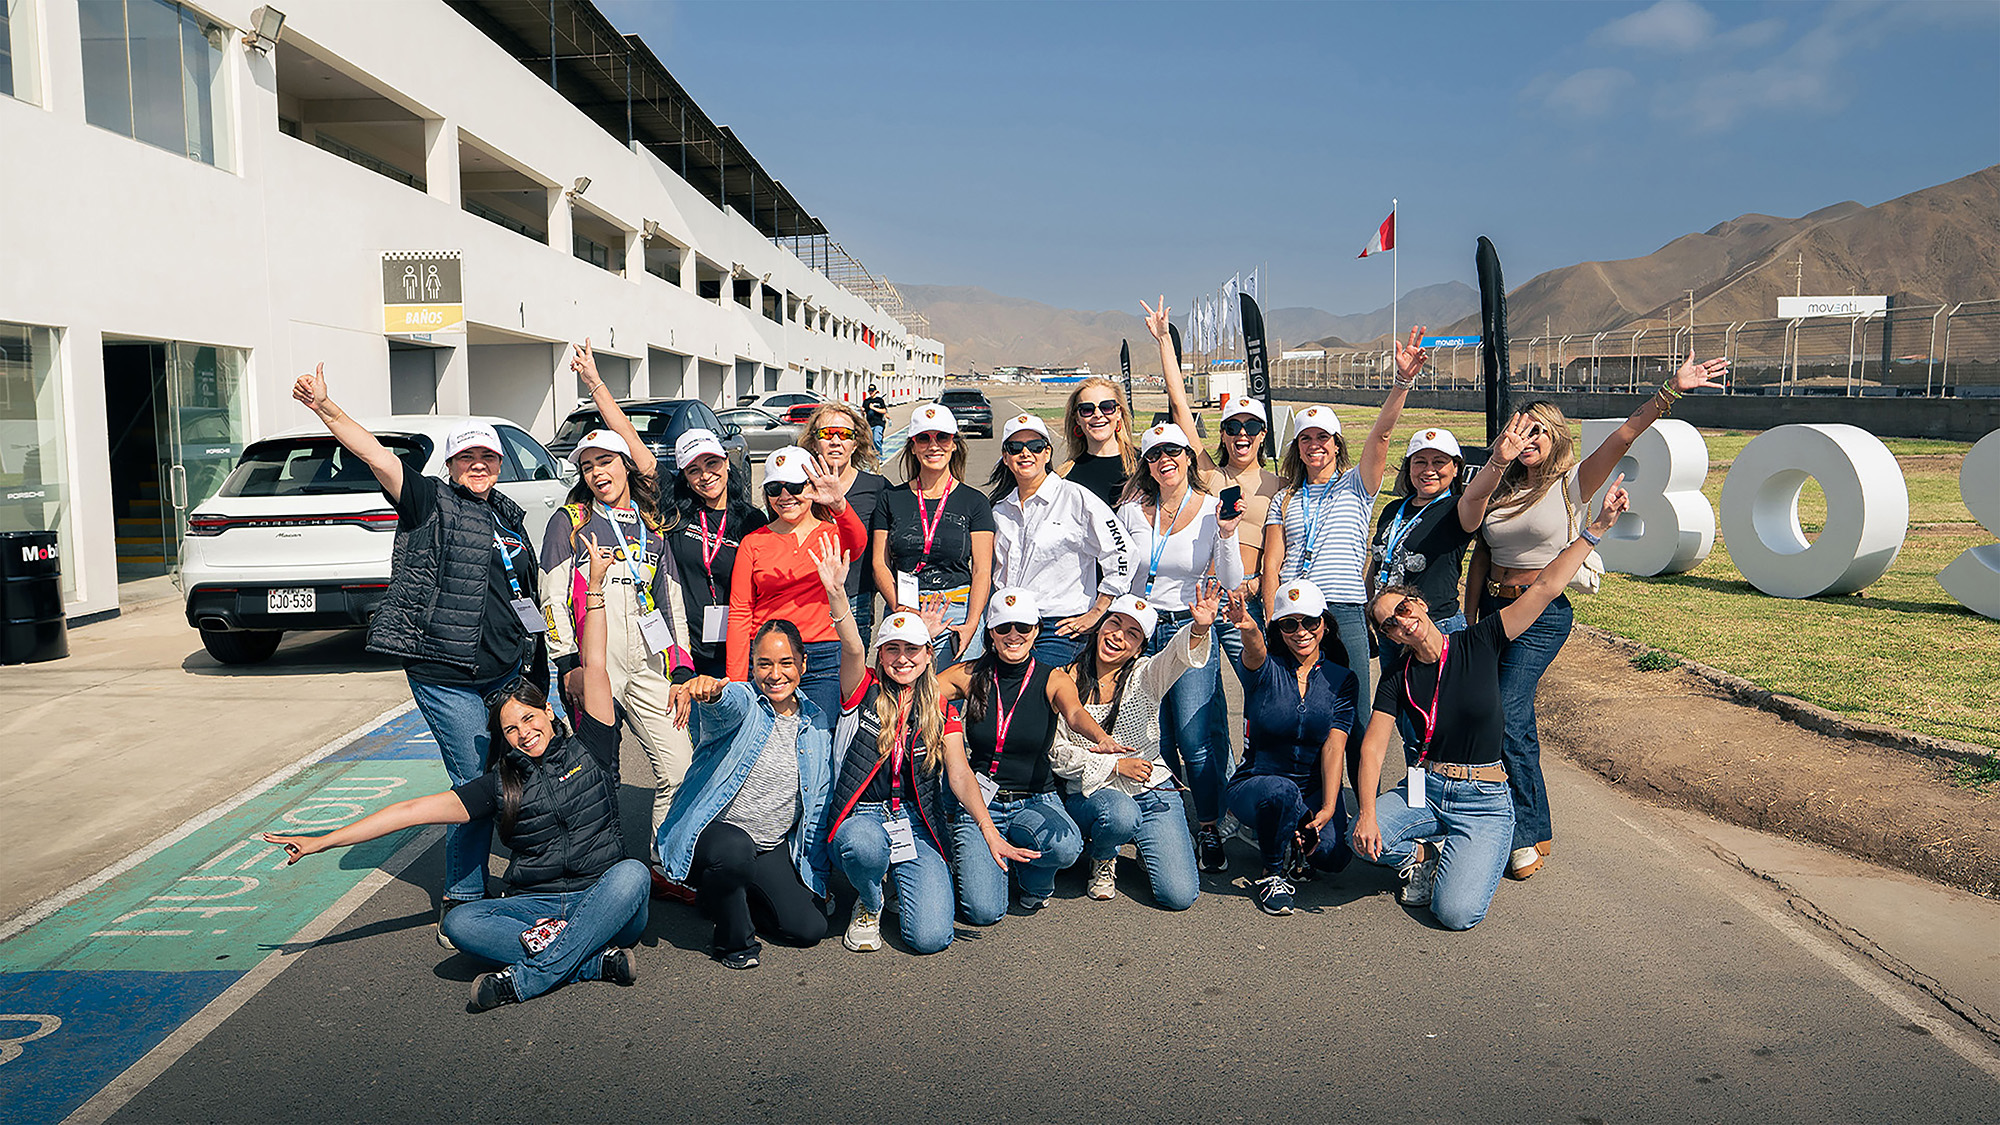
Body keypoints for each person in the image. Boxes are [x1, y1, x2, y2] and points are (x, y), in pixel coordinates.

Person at [262, 536, 644, 1011]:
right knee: (460, 924)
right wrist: (323, 841)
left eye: (529, 719)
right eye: (510, 729)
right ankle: (589, 963)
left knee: (631, 876)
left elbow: (595, 664)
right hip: (535, 907)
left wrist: (597, 591)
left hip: (602, 897)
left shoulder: (594, 744)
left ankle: (528, 979)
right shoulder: (500, 784)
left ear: (547, 712)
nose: (524, 733)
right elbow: (410, 810)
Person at [290, 364, 542, 946]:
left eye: (489, 458)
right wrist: (325, 408)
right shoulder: (429, 501)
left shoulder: (507, 514)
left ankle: (528, 877)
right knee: (473, 785)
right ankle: (464, 898)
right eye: (468, 459)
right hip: (446, 673)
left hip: (505, 670)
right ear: (450, 466)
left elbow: (519, 590)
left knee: (517, 775)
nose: (480, 466)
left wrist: (535, 661)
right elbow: (378, 457)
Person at [1458, 356, 1728, 880]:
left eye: (1539, 432)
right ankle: (1493, 815)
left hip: (1542, 613)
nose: (1528, 439)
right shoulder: (1500, 489)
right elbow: (1480, 556)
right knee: (1487, 715)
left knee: (1510, 712)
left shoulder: (1571, 484)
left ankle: (1530, 832)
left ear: (1556, 439)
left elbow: (1625, 434)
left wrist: (1671, 391)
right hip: (1493, 610)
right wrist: (1471, 621)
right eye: (1520, 430)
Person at [1353, 478, 1632, 929]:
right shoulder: (1398, 677)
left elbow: (1543, 588)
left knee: (1454, 913)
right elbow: (1373, 748)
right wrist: (1366, 812)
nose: (1402, 623)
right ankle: (1424, 853)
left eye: (1404, 609)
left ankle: (1478, 847)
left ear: (1420, 604)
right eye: (1389, 625)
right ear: (1387, 637)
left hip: (1483, 797)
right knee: (1360, 838)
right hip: (1427, 789)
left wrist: (1596, 527)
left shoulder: (1479, 641)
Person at [659, 541, 860, 969]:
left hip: (768, 847)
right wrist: (708, 690)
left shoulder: (817, 723)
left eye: (786, 663)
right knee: (733, 853)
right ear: (752, 667)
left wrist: (817, 882)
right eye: (764, 664)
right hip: (717, 835)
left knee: (808, 930)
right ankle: (733, 941)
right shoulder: (744, 703)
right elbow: (723, 703)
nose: (775, 674)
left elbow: (818, 810)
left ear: (803, 666)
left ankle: (730, 896)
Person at [824, 605, 1041, 954]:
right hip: (863, 816)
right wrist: (837, 596)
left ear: (929, 654)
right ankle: (869, 901)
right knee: (863, 845)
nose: (902, 658)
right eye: (892, 649)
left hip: (912, 820)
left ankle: (895, 879)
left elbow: (959, 773)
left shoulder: (941, 708)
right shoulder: (862, 688)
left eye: (912, 649)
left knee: (931, 938)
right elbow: (850, 645)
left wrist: (988, 829)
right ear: (879, 655)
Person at [538, 427, 697, 897]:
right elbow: (551, 595)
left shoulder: (652, 526)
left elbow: (671, 601)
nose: (596, 473)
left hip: (650, 660)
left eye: (604, 462)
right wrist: (568, 663)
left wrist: (682, 668)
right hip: (596, 658)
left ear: (626, 464)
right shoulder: (569, 521)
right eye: (587, 466)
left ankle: (663, 865)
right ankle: (596, 869)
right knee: (597, 771)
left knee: (679, 766)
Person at [936, 588, 1128, 922]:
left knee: (1067, 847)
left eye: (1023, 627)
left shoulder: (1052, 678)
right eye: (1004, 627)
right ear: (991, 633)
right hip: (982, 799)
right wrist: (925, 639)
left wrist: (1099, 736)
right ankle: (983, 857)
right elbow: (915, 688)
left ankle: (1034, 882)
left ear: (1036, 631)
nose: (1014, 635)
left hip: (1036, 797)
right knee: (983, 913)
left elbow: (1074, 713)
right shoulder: (969, 675)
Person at [1117, 422, 1243, 872]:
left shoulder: (1212, 510)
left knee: (1195, 738)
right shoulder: (1131, 511)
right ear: (1146, 465)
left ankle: (1209, 825)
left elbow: (1230, 581)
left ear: (1189, 456)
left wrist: (1227, 535)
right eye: (1154, 454)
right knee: (1152, 735)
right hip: (1138, 629)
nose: (1163, 460)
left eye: (1173, 451)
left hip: (1188, 625)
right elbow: (1116, 569)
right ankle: (1167, 826)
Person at [1050, 589, 1217, 910]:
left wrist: (1199, 629)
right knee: (1120, 814)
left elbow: (1177, 656)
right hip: (1091, 796)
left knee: (1179, 895)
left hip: (1151, 791)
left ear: (1140, 647)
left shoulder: (1147, 674)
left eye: (1132, 633)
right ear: (1100, 625)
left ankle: (1145, 841)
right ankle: (1103, 854)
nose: (1118, 637)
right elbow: (1056, 753)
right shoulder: (1063, 680)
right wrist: (1114, 766)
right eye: (1114, 624)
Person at [1222, 580, 1358, 916]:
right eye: (1289, 624)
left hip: (1311, 788)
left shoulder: (1343, 679)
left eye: (1310, 622)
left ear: (1325, 623)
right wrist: (1249, 627)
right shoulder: (1265, 669)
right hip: (1258, 782)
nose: (1301, 632)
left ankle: (1289, 833)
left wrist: (1327, 806)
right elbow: (1254, 650)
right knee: (1281, 792)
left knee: (1334, 856)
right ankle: (1272, 873)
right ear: (1278, 629)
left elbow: (1334, 746)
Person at [727, 446, 866, 726]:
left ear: (812, 488)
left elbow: (858, 543)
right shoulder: (753, 543)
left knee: (820, 736)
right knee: (768, 739)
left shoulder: (831, 533)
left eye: (794, 486)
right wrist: (736, 681)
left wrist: (839, 505)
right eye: (775, 488)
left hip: (823, 655)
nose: (785, 495)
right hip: (769, 654)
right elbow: (741, 612)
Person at [987, 411, 1135, 666]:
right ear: (1005, 456)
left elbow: (1123, 552)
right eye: (1015, 447)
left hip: (1058, 630)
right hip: (1009, 627)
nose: (1025, 453)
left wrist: (1098, 611)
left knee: (1042, 700)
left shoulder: (1076, 498)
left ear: (1047, 453)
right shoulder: (1000, 510)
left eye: (1035, 446)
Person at [871, 404, 995, 664]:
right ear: (913, 446)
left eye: (942, 437)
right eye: (924, 438)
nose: (933, 445)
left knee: (947, 700)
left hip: (956, 612)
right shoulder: (891, 499)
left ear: (954, 444)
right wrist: (900, 608)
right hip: (904, 607)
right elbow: (880, 564)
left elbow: (982, 570)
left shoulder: (975, 502)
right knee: (903, 698)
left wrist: (972, 624)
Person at [660, 427, 767, 684]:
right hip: (687, 648)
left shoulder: (752, 520)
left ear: (727, 462)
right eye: (693, 470)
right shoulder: (676, 517)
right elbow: (640, 456)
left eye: (712, 463)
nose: (705, 476)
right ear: (684, 477)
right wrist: (596, 386)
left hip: (740, 648)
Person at [1367, 427, 1476, 672]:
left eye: (1439, 462)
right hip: (1391, 630)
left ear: (1456, 467)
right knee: (1399, 704)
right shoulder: (1392, 509)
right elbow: (1377, 562)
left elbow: (1479, 497)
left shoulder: (1457, 508)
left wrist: (1498, 462)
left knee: (1440, 705)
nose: (1429, 470)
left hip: (1434, 625)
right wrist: (1369, 611)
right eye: (1420, 462)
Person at [801, 401, 890, 644]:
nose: (835, 441)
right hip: (808, 599)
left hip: (856, 598)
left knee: (853, 677)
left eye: (845, 434)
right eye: (827, 433)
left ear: (856, 443)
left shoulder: (878, 488)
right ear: (813, 441)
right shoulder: (798, 488)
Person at [1056, 376, 1139, 509]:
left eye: (1107, 407)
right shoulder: (1066, 477)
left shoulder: (1145, 464)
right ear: (1077, 418)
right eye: (1087, 409)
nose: (1098, 414)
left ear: (1119, 413)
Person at [862, 384, 889, 451]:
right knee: (870, 442)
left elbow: (884, 410)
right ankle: (873, 457)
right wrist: (862, 411)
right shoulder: (866, 401)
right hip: (869, 424)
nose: (871, 393)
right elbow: (864, 413)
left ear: (876, 391)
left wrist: (873, 408)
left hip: (879, 423)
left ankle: (879, 456)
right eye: (870, 391)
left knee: (876, 440)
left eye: (872, 391)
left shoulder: (879, 400)